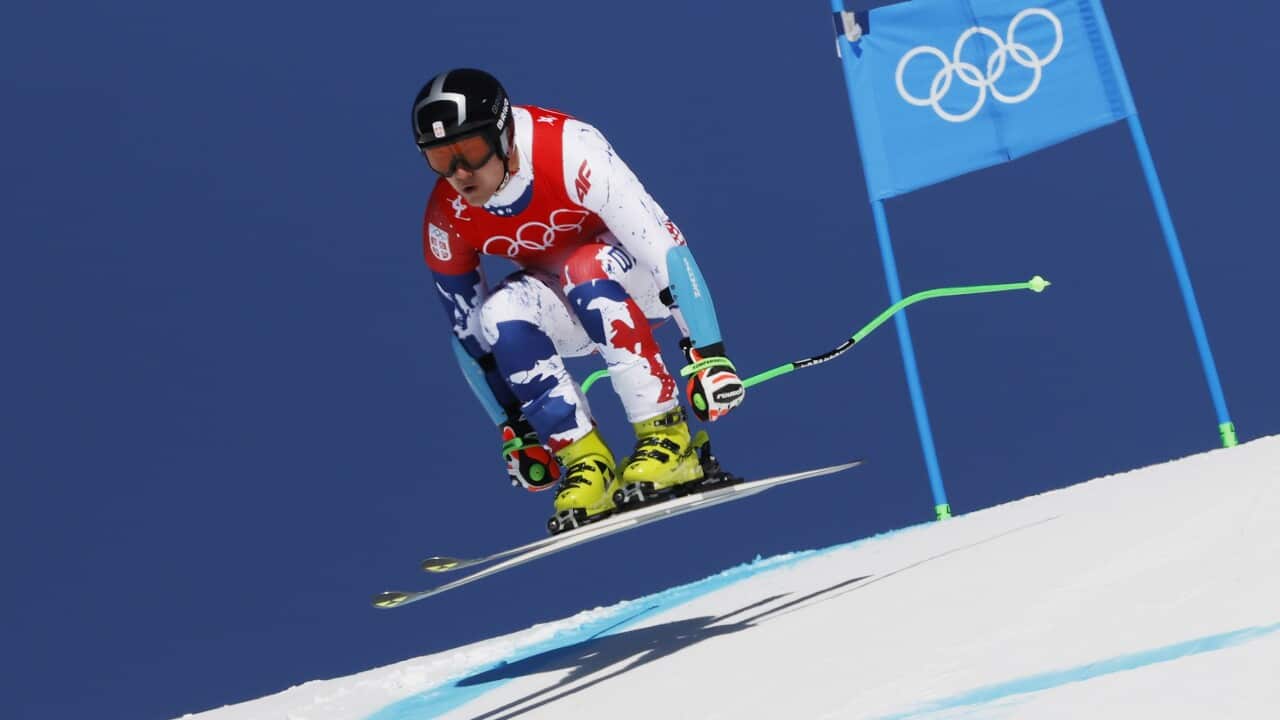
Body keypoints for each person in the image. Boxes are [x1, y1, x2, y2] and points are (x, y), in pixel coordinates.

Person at [412, 68, 745, 532]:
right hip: (565, 309)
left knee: (584, 266)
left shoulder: (568, 149)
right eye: (440, 158)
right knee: (498, 313)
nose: (460, 173)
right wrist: (514, 429)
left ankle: (668, 438)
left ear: (505, 133)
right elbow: (467, 336)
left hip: (634, 283)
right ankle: (586, 461)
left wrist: (707, 354)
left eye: (469, 150)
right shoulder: (446, 216)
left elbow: (665, 248)